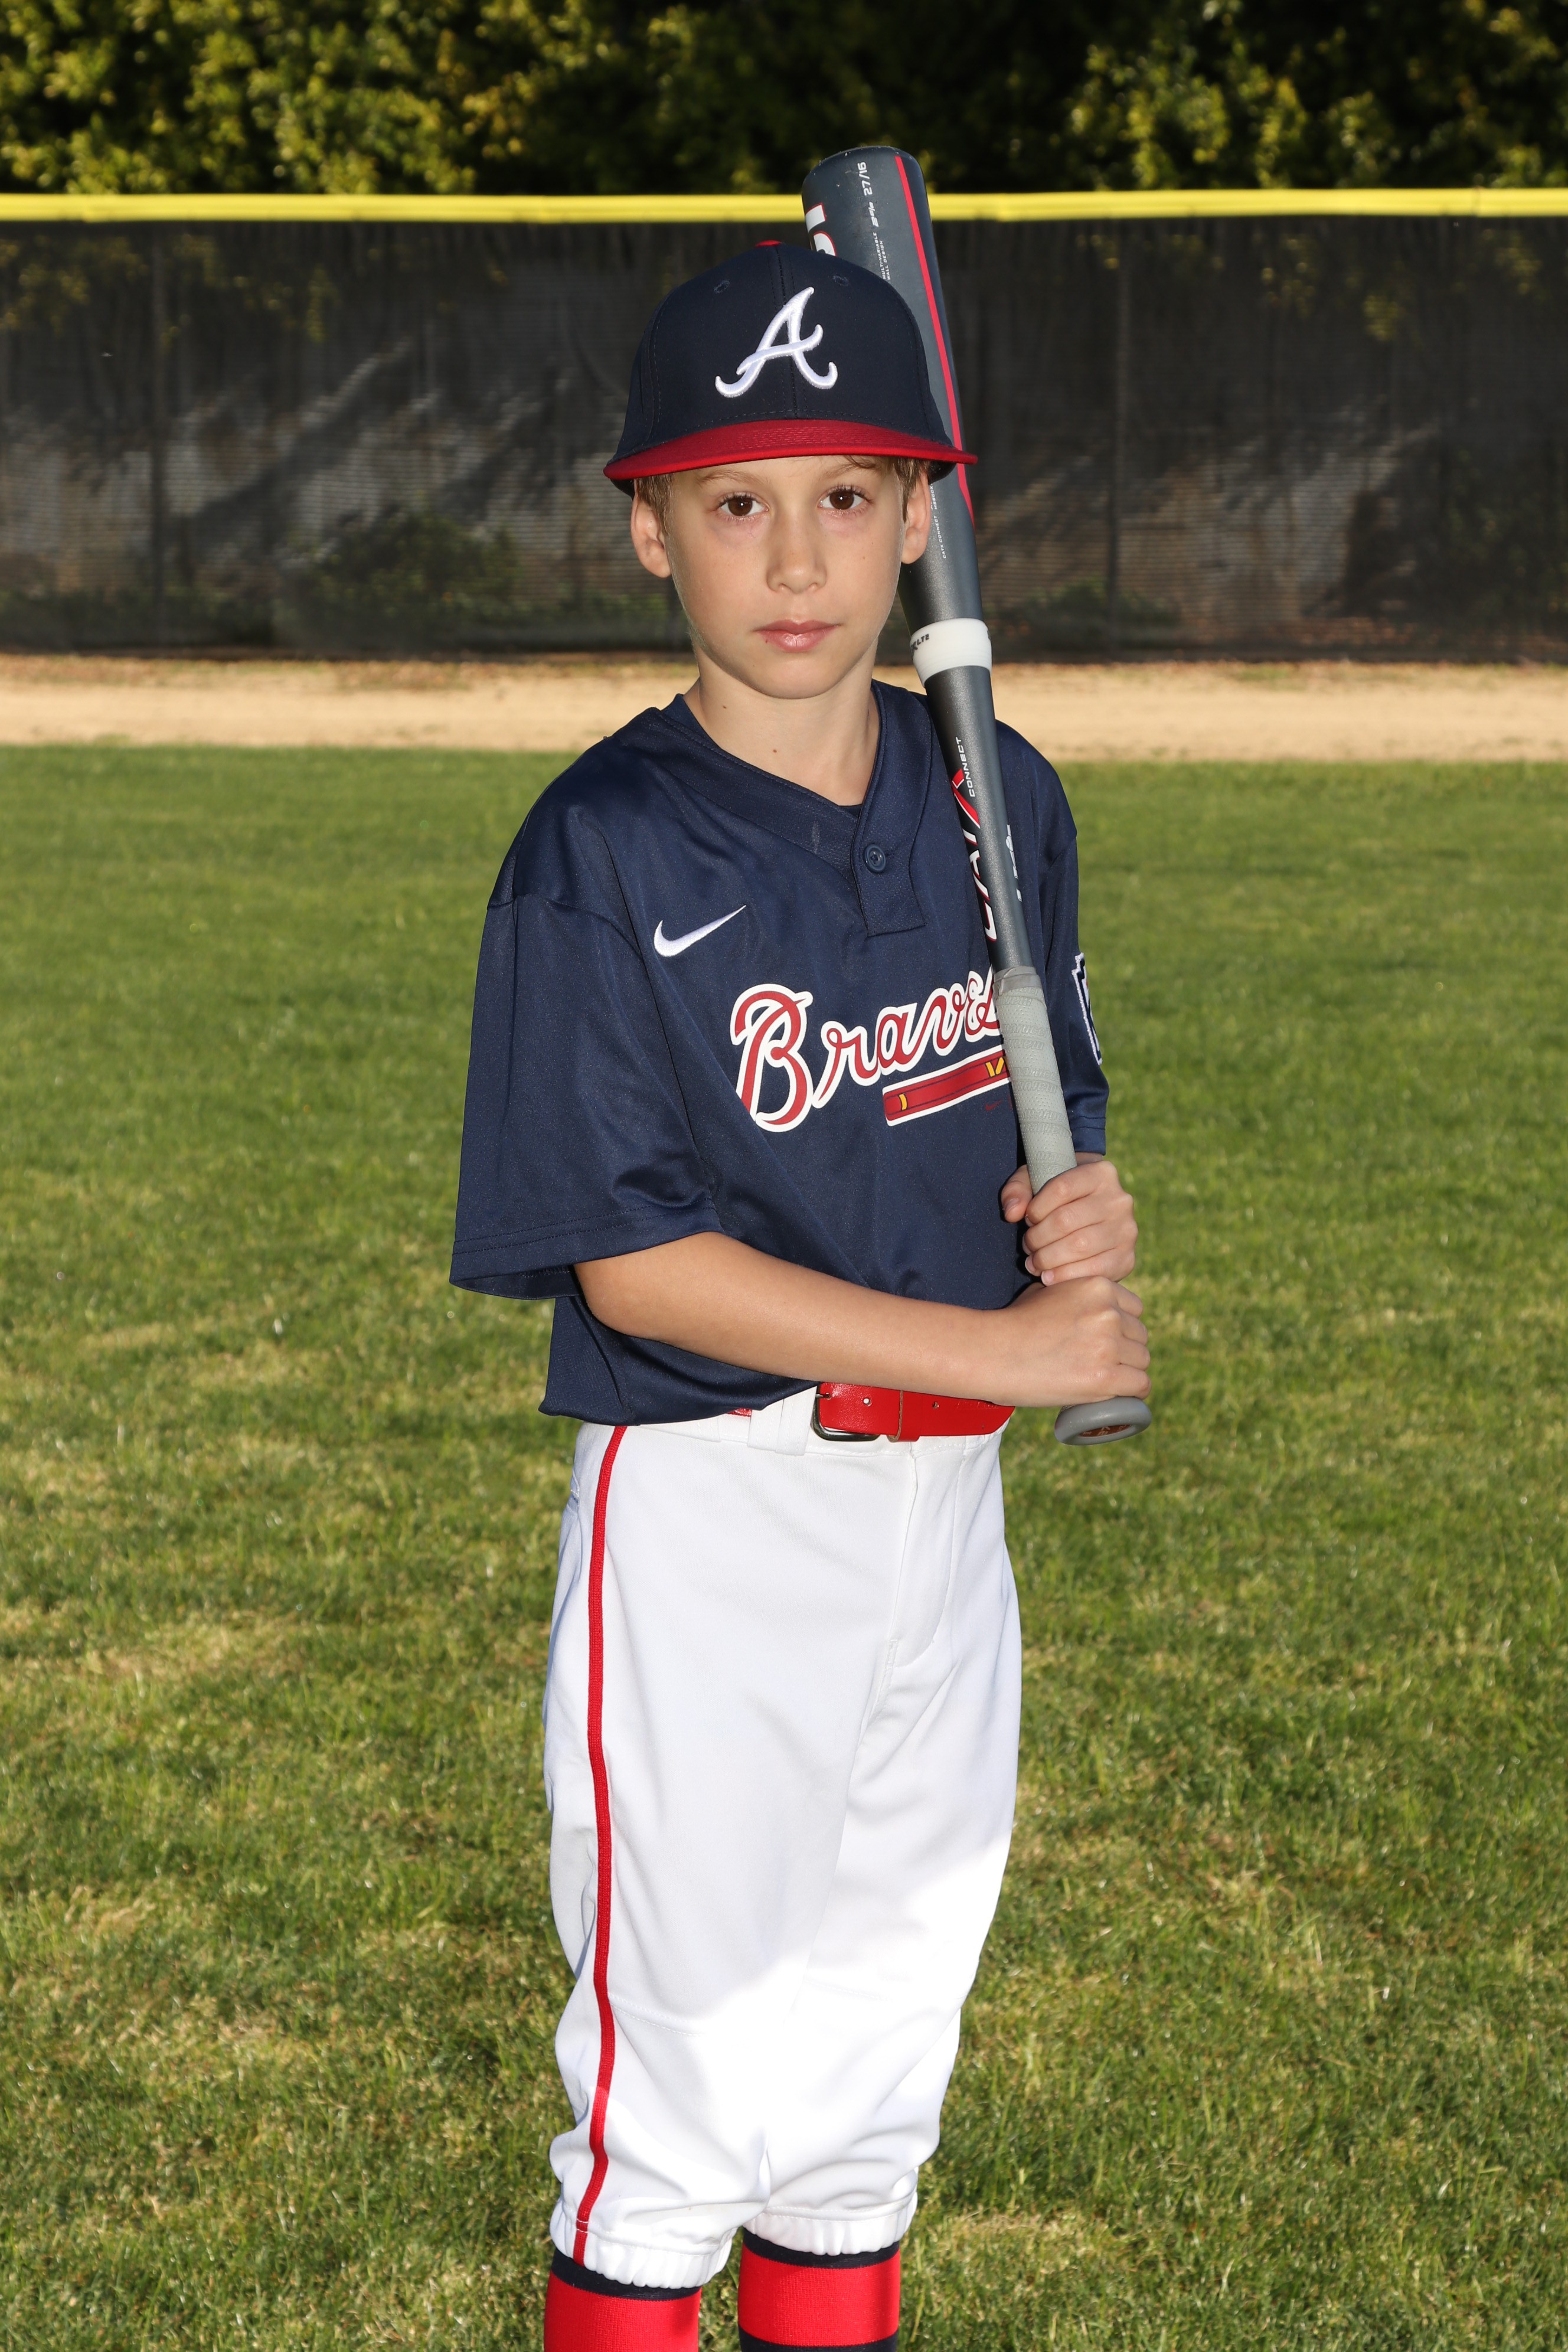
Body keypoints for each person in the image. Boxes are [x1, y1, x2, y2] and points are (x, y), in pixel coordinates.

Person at [450, 241, 1149, 2352]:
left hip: (944, 1519)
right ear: (646, 527)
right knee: (679, 2093)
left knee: (869, 2074)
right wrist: (1005, 1346)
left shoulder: (995, 794)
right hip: (714, 1514)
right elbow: (636, 1255)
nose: (794, 556)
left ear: (921, 515)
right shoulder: (602, 849)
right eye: (734, 500)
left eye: (847, 495)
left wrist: (1081, 1217)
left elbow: (1043, 1111)